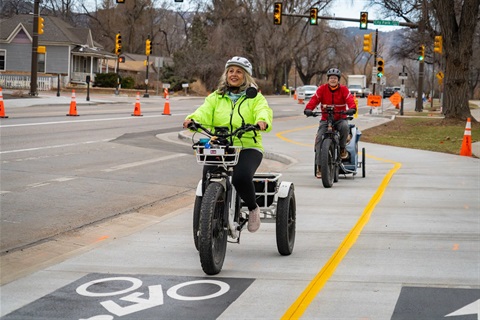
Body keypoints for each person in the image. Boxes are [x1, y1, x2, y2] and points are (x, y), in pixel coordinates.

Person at [183, 56, 273, 232]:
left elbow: (263, 111)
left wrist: (262, 121)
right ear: (226, 74)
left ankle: (253, 208)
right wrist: (193, 119)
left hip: (248, 145)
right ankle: (208, 215)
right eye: (230, 71)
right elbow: (204, 111)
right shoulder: (216, 97)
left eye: (239, 71)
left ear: (246, 76)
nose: (234, 74)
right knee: (208, 175)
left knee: (240, 177)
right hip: (220, 144)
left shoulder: (255, 97)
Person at [303, 67, 356, 178]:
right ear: (328, 79)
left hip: (340, 118)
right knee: (318, 139)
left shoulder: (344, 90)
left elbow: (350, 100)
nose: (333, 80)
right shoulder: (322, 89)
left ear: (338, 80)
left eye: (335, 78)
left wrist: (351, 108)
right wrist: (308, 109)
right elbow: (314, 100)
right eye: (331, 78)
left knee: (345, 126)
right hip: (326, 120)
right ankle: (320, 167)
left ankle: (342, 148)